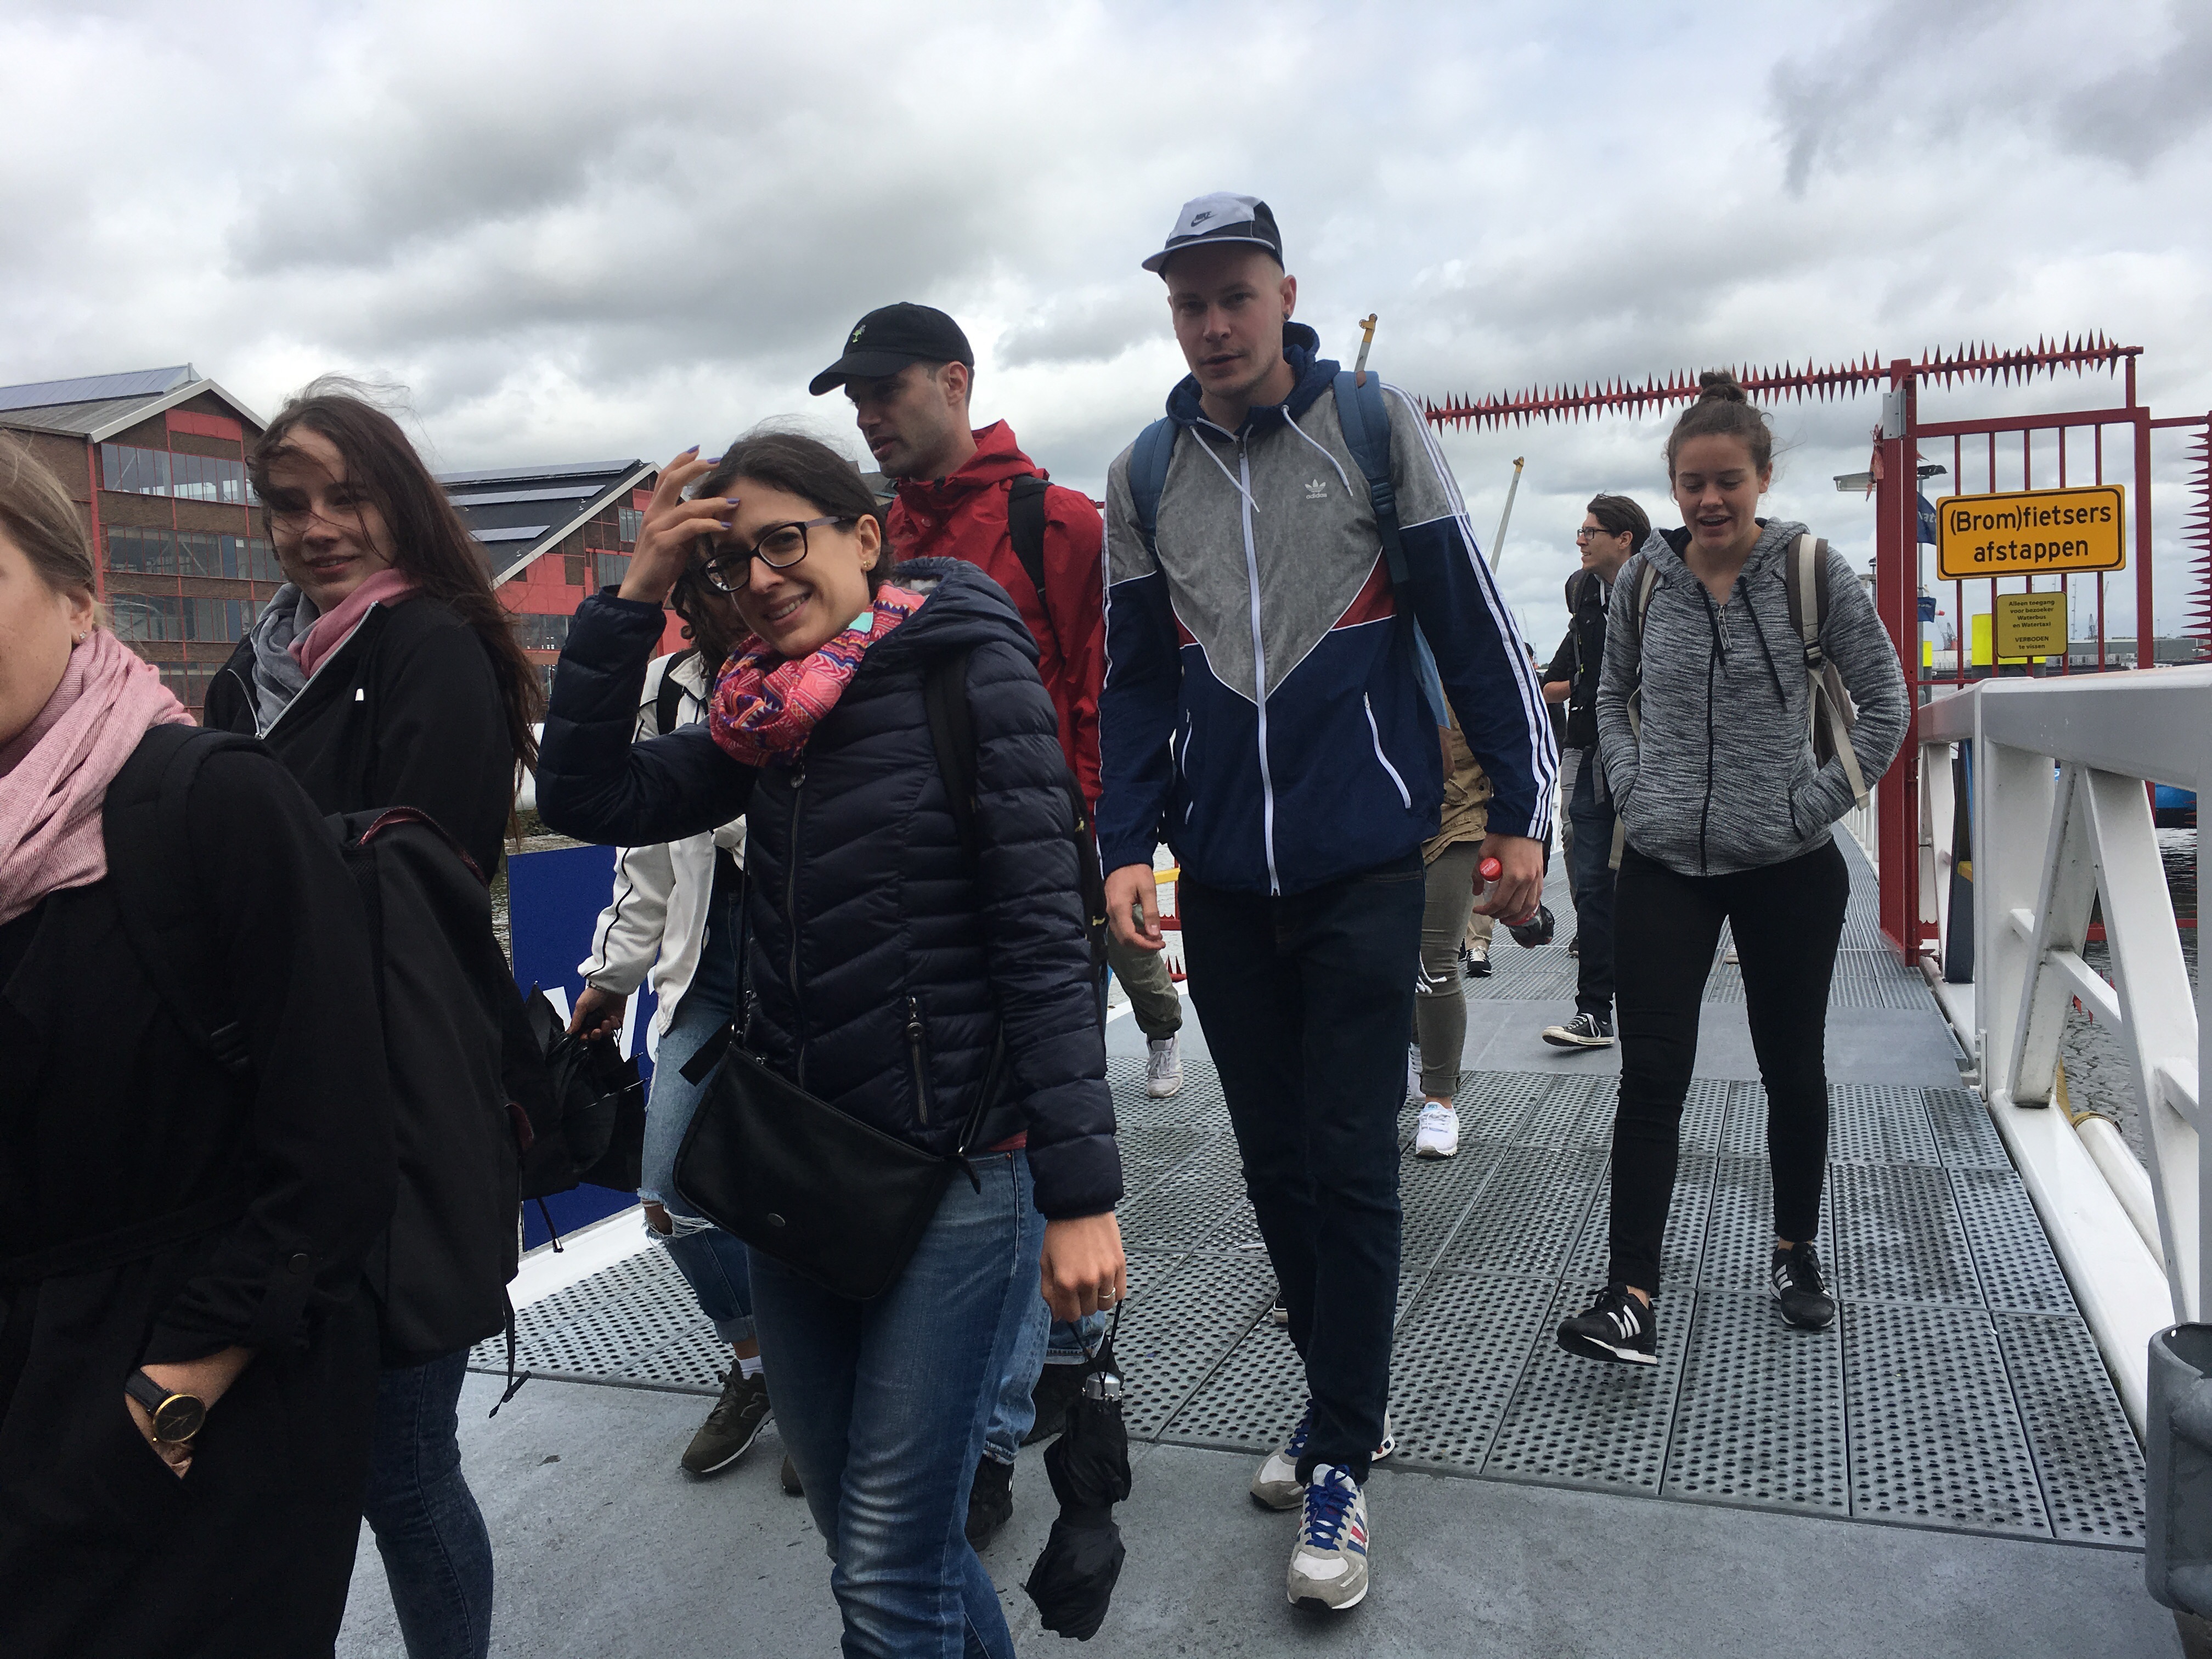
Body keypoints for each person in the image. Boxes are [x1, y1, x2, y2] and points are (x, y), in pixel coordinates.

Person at [535, 431, 1124, 1658]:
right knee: (871, 1542)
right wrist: (635, 593)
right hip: (805, 1164)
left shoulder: (973, 677)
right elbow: (588, 796)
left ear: (866, 536)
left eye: (784, 541)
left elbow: (1043, 944)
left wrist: (1080, 1197)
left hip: (965, 1170)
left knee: (892, 1567)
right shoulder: (768, 718)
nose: (759, 579)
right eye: (733, 562)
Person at [1098, 194, 1555, 1612]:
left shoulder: (1372, 427)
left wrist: (1526, 811)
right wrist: (1123, 841)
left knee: (1351, 1158)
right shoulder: (1143, 471)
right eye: (1189, 303)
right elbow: (1134, 682)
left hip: (1367, 864)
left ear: (1285, 295)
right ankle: (1343, 1398)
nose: (1213, 325)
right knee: (1273, 1166)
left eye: (1234, 295)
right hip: (1225, 879)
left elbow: (1474, 626)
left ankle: (1343, 1453)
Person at [0, 435, 396, 1656]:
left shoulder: (209, 803)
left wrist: (167, 1397)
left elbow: (333, 1145)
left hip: (192, 1406)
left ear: (80, 599)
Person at [204, 383, 542, 1659]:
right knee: (307, 1466)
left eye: (346, 497)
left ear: (398, 499)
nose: (318, 528)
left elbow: (422, 883)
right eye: (289, 506)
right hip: (271, 1119)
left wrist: (246, 860)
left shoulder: (432, 648)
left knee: (402, 1468)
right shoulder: (248, 672)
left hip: (404, 1104)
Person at [811, 304, 1158, 1543]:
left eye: (886, 389)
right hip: (901, 896)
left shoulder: (1058, 524)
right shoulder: (868, 533)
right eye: (854, 397)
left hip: (1029, 875)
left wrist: (1085, 845)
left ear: (955, 381)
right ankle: (1015, 1371)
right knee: (956, 1149)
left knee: (1011, 1149)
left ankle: (989, 1434)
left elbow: (1110, 692)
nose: (867, 414)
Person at [1558, 373, 1906, 1366]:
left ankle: (1795, 1250)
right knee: (1650, 1074)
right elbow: (1612, 692)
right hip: (1665, 861)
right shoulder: (1644, 580)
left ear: (1761, 478)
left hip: (1788, 865)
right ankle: (1630, 1292)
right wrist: (1635, 789)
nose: (1709, 501)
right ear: (1672, 488)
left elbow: (1886, 704)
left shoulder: (1809, 569)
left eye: (1727, 482)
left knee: (1790, 1065)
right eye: (1691, 484)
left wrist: (1807, 805)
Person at [566, 559, 768, 1477]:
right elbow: (645, 847)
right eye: (703, 584)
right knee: (670, 1191)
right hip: (708, 974)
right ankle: (760, 1363)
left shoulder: (832, 663)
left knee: (824, 1184)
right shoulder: (669, 688)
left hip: (818, 973)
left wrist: (720, 803)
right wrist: (612, 976)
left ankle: (823, 1374)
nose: (730, 597)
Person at [1539, 493, 1647, 1050]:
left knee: (1656, 883)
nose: (1580, 540)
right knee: (1592, 881)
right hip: (1589, 753)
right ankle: (1594, 1012)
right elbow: (1561, 676)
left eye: (1590, 532)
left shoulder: (1663, 589)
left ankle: (1653, 1010)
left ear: (1624, 539)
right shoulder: (1584, 594)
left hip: (1652, 758)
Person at [1411, 715, 1493, 1157]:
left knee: (1434, 959)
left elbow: (1516, 725)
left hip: (1455, 814)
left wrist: (1520, 829)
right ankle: (1414, 1043)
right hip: (1375, 816)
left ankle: (1439, 1099)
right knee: (1383, 955)